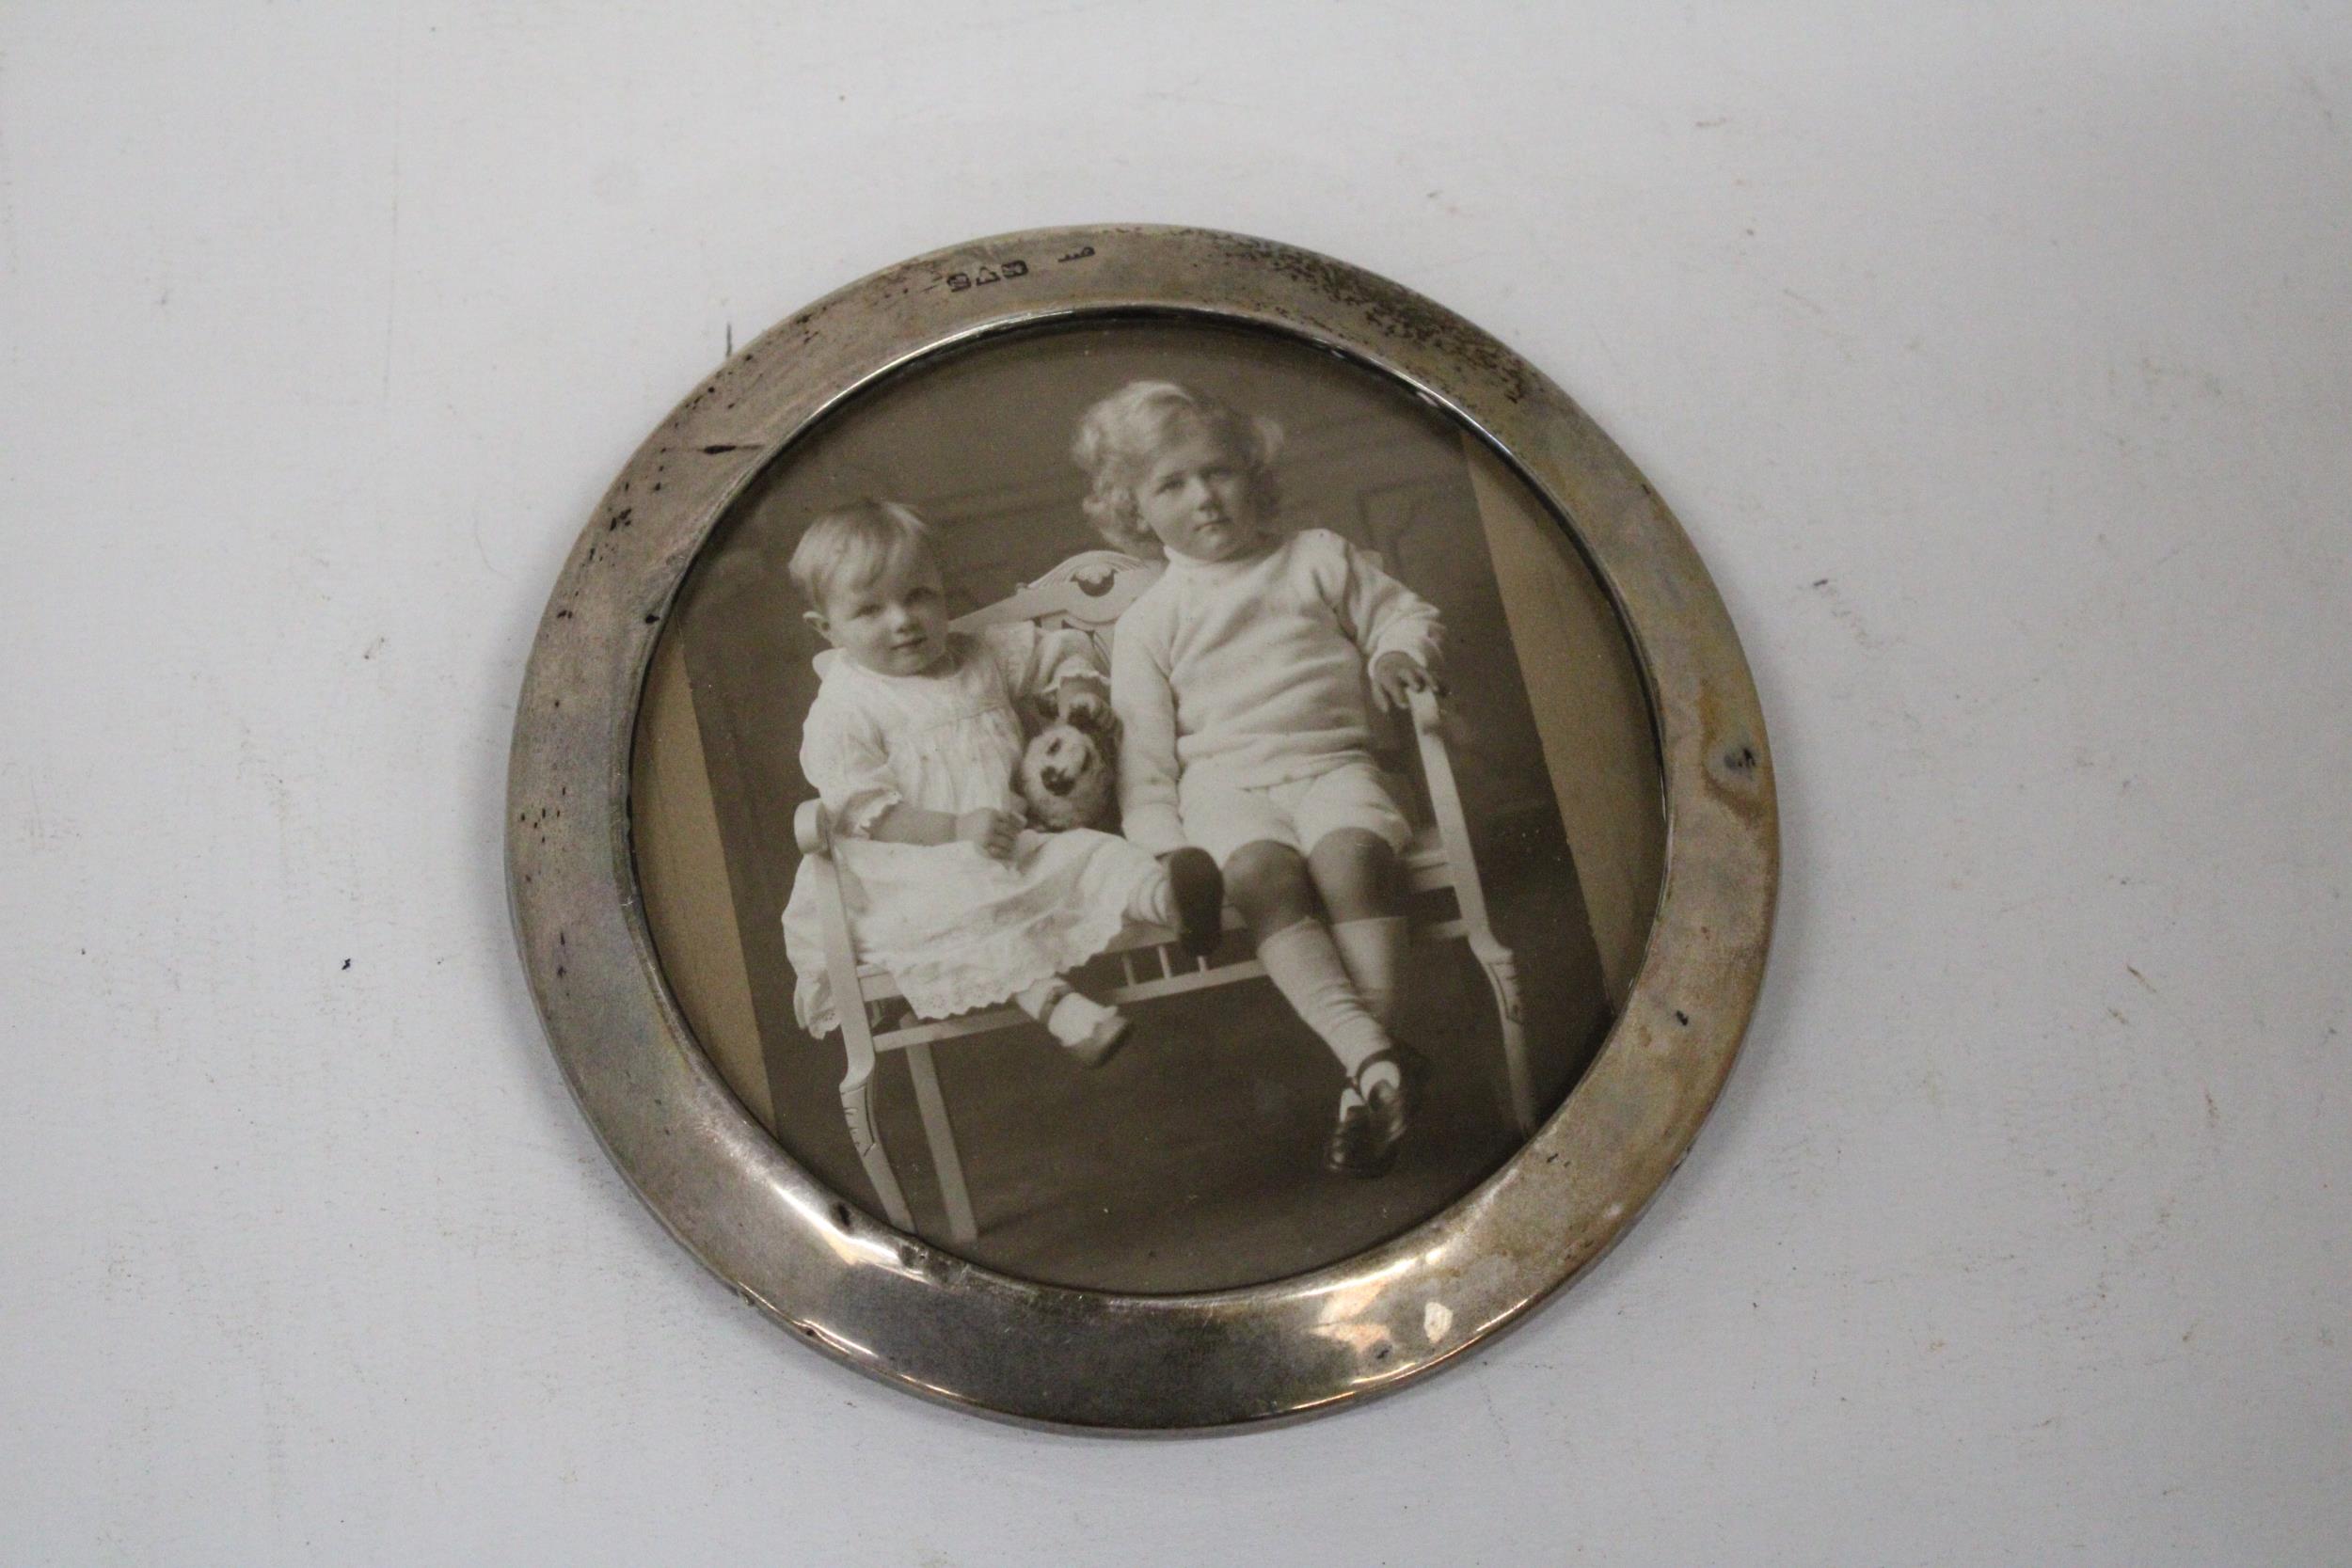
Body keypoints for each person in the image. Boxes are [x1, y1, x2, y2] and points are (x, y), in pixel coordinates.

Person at [1076, 381, 1445, 1175]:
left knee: (1353, 857)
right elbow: (1147, 768)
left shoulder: (1316, 558)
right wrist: (1175, 855)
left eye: (1217, 472)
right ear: (1135, 509)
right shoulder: (1150, 621)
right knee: (1259, 873)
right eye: (1170, 485)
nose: (1203, 497)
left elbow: (1402, 615)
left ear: (1253, 473)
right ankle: (1376, 1059)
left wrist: (1395, 652)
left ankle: (1368, 1074)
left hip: (1332, 764)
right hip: (1226, 792)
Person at [779, 500, 1222, 1065]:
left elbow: (1059, 652)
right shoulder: (844, 707)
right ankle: (1060, 1010)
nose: (903, 620)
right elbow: (864, 809)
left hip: (1014, 842)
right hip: (910, 868)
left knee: (1093, 855)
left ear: (942, 589)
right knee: (968, 909)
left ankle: (1174, 901)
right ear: (827, 629)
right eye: (870, 610)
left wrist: (1076, 693)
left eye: (917, 595)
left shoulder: (981, 653)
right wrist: (959, 828)